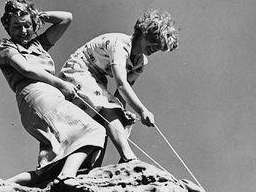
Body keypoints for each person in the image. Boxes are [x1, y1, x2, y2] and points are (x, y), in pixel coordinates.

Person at [0, 0, 107, 192]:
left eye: (27, 25)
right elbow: (26, 69)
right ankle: (66, 178)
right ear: (7, 27)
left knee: (49, 167)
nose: (23, 31)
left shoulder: (38, 45)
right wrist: (60, 83)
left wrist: (36, 15)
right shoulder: (5, 45)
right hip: (36, 95)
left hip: (48, 97)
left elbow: (66, 18)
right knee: (95, 130)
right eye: (16, 26)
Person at [59, 9, 179, 164]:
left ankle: (92, 167)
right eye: (154, 41)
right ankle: (129, 157)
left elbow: (120, 94)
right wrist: (142, 111)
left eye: (160, 46)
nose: (155, 48)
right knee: (110, 110)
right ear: (143, 33)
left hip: (97, 80)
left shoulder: (140, 63)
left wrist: (121, 112)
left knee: (110, 119)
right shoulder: (120, 44)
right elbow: (121, 84)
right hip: (78, 70)